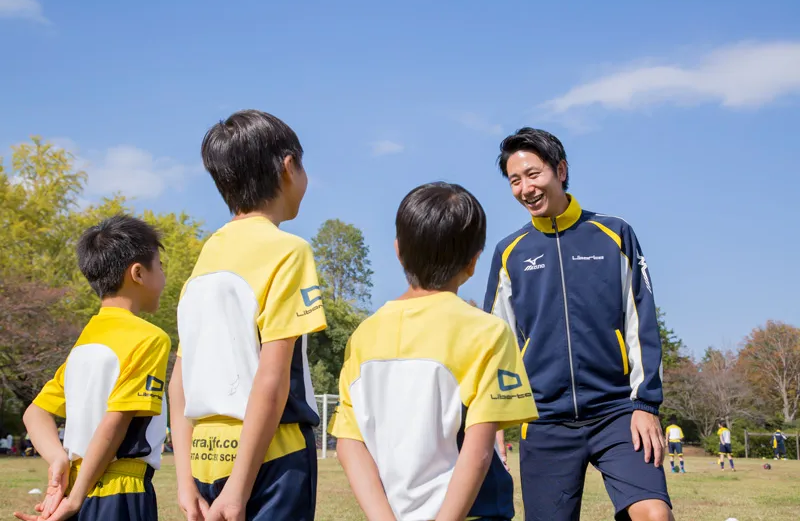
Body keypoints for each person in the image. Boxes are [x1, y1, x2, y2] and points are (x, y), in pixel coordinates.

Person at [484, 128, 672, 521]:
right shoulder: (509, 253)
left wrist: (645, 404)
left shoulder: (614, 234)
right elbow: (495, 341)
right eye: (515, 180)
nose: (525, 189)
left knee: (654, 515)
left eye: (533, 175)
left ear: (561, 170)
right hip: (544, 420)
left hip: (618, 411)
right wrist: (493, 419)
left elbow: (642, 320)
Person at [329, 182, 538, 520]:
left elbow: (349, 443)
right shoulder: (487, 332)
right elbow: (479, 450)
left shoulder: (364, 335)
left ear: (398, 251)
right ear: (473, 262)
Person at [169, 109, 327, 521]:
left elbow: (179, 383)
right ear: (289, 167)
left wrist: (184, 483)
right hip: (274, 453)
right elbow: (272, 380)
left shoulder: (207, 256)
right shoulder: (289, 251)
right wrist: (240, 488)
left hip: (204, 456)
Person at [14, 215, 170, 521]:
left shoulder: (86, 340)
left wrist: (59, 459)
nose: (163, 276)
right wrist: (74, 498)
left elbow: (35, 412)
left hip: (76, 486)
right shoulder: (150, 338)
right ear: (138, 273)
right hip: (121, 491)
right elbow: (115, 424)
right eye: (160, 266)